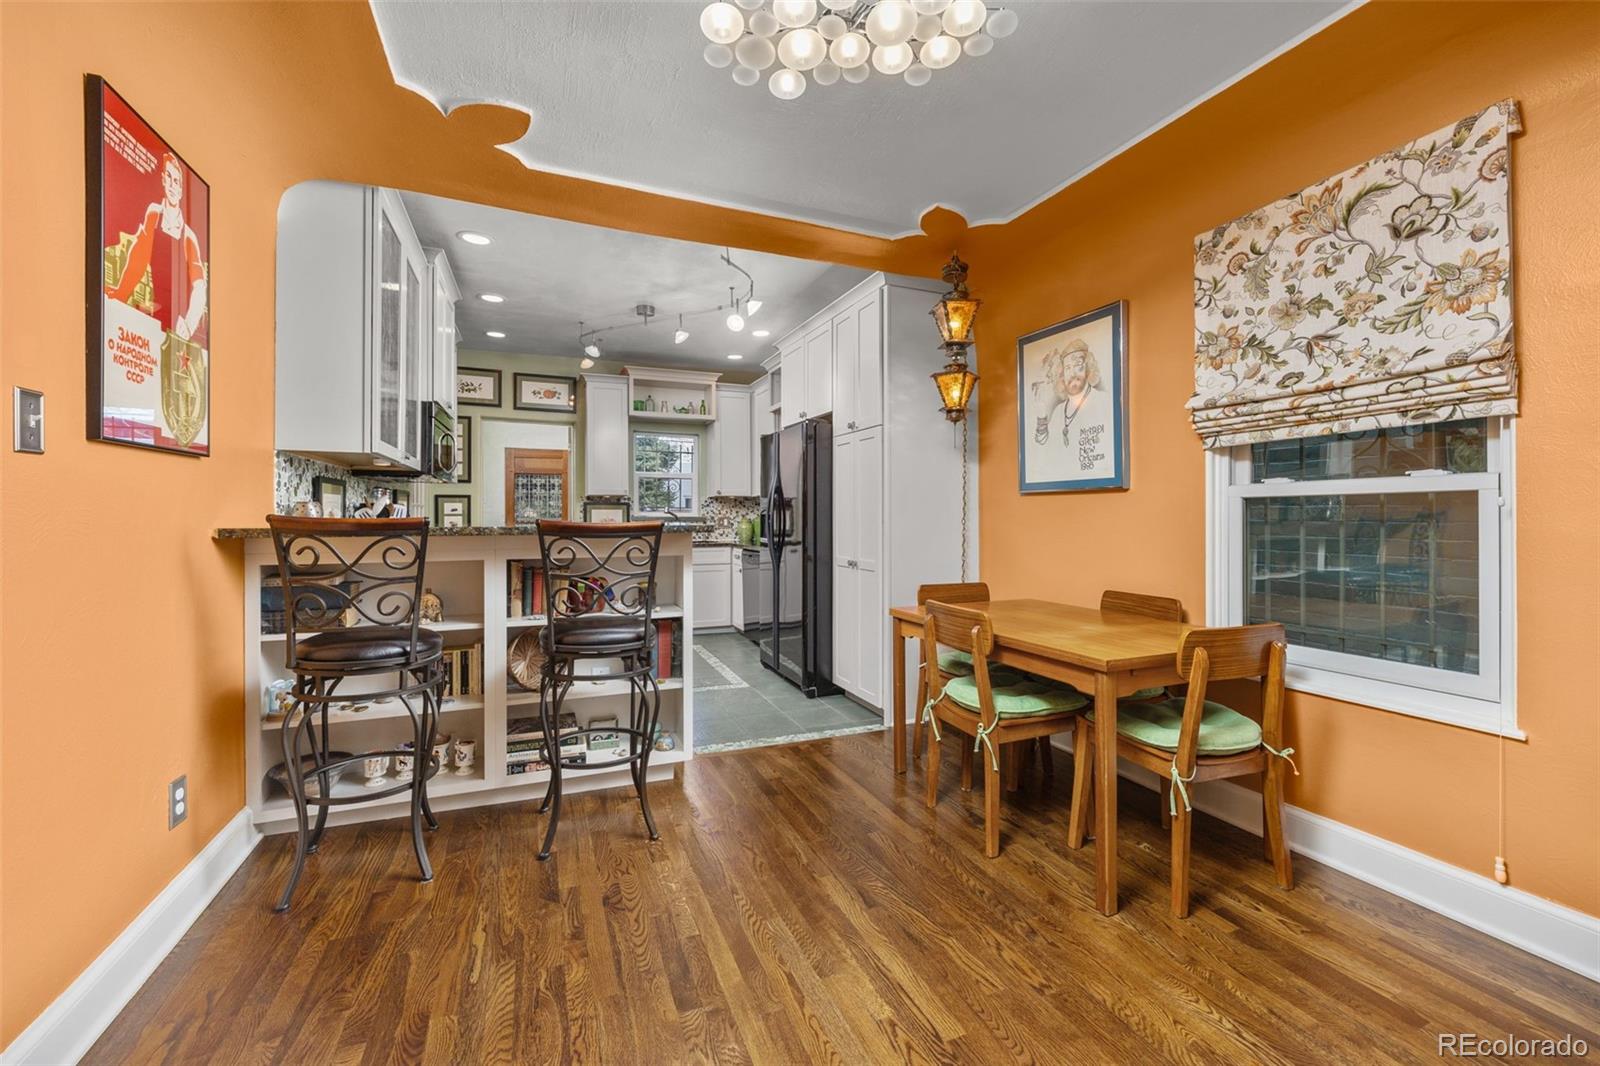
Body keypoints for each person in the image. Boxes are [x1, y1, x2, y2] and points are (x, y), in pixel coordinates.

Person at [105, 152, 208, 345]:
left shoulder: (188, 236)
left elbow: (200, 288)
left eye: (176, 181)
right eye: (168, 177)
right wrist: (121, 293)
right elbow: (138, 258)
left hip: (179, 323)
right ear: (162, 180)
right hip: (155, 313)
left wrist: (188, 324)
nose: (172, 185)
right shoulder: (154, 214)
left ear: (181, 189)